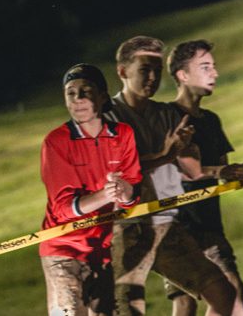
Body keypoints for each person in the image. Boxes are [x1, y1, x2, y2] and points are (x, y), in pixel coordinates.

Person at [104, 36, 242, 316]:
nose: (153, 78)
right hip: (124, 229)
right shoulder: (108, 117)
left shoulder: (167, 115)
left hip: (165, 224)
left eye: (157, 70)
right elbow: (116, 172)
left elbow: (192, 169)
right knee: (130, 309)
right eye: (145, 70)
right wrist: (165, 155)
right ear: (122, 71)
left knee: (223, 292)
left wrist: (223, 171)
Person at [39, 64, 142, 315]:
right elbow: (64, 209)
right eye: (71, 93)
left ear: (103, 96)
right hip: (63, 247)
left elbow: (131, 196)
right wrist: (106, 195)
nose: (78, 98)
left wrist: (125, 192)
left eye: (86, 90)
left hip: (103, 248)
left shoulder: (123, 134)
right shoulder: (56, 141)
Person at [165, 39, 243, 316]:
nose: (214, 73)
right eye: (205, 67)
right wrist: (220, 171)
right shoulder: (166, 117)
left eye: (213, 67)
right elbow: (179, 167)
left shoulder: (211, 120)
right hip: (178, 225)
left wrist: (237, 173)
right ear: (183, 75)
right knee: (187, 302)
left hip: (209, 223)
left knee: (232, 291)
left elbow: (222, 171)